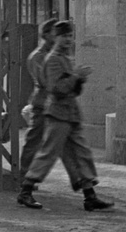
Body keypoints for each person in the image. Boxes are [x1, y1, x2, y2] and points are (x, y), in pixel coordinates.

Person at [17, 21, 114, 211]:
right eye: (64, 36)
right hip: (58, 113)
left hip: (70, 113)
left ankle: (90, 196)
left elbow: (71, 88)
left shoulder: (65, 58)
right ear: (55, 37)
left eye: (70, 36)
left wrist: (79, 79)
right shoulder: (52, 59)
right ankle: (25, 191)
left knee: (82, 153)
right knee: (48, 153)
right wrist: (75, 77)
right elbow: (56, 88)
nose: (68, 40)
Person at [17, 18, 57, 192]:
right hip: (42, 104)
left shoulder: (52, 55)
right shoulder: (38, 57)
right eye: (56, 34)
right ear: (46, 35)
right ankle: (24, 177)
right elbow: (46, 81)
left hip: (54, 105)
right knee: (34, 141)